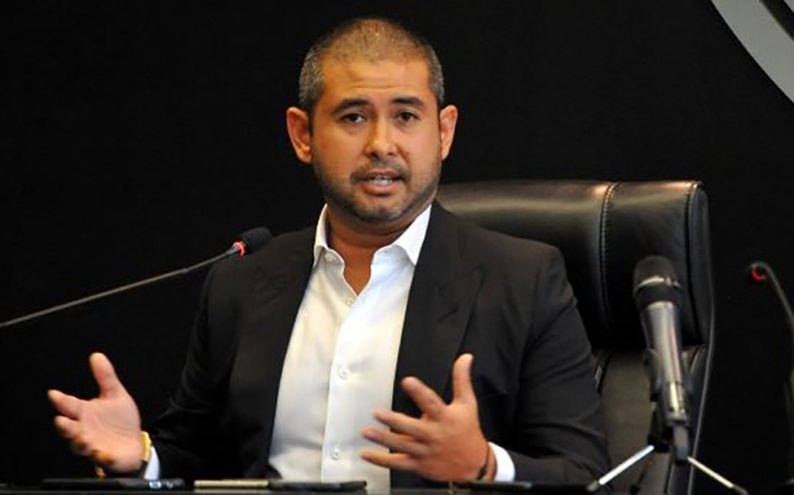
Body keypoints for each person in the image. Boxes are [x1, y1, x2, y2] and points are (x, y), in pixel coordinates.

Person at [48, 17, 609, 490]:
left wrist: (484, 466)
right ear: (303, 135)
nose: (382, 144)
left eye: (406, 116)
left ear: (444, 132)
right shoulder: (242, 283)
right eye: (353, 117)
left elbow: (586, 475)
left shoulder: (523, 280)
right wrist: (141, 458)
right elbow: (195, 456)